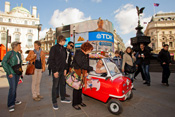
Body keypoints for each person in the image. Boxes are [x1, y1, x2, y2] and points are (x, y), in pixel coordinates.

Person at [49, 35, 71, 110]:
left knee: (62, 84)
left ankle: (63, 98)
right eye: (64, 41)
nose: (65, 42)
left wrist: (65, 69)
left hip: (62, 70)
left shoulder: (64, 49)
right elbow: (51, 60)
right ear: (60, 40)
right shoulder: (54, 48)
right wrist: (54, 71)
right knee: (55, 86)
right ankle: (54, 101)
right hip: (56, 71)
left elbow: (65, 60)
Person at [2, 41, 22, 112]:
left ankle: (14, 99)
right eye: (19, 46)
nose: (20, 47)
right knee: (12, 88)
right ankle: (10, 104)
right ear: (16, 46)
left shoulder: (18, 54)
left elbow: (19, 64)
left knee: (15, 87)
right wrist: (9, 72)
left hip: (17, 73)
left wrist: (20, 73)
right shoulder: (10, 53)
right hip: (12, 73)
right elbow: (3, 62)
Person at [72, 42, 93, 110]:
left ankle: (79, 101)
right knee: (76, 88)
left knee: (80, 88)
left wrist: (87, 71)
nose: (90, 51)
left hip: (83, 72)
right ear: (86, 49)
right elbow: (81, 64)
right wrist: (91, 68)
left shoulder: (86, 54)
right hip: (77, 72)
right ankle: (75, 103)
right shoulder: (78, 53)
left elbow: (86, 63)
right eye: (89, 50)